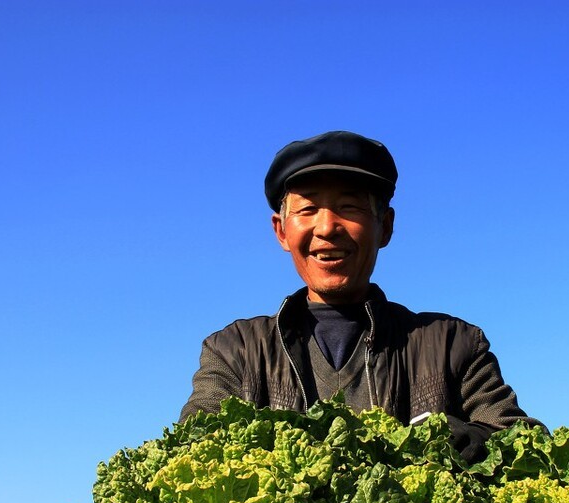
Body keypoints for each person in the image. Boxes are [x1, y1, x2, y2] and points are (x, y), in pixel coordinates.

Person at [180, 130, 539, 461]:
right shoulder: (235, 351)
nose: (327, 227)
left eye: (349, 207)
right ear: (281, 231)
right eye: (308, 209)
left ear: (385, 227)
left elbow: (522, 443)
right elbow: (189, 456)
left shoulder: (453, 344)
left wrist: (474, 442)